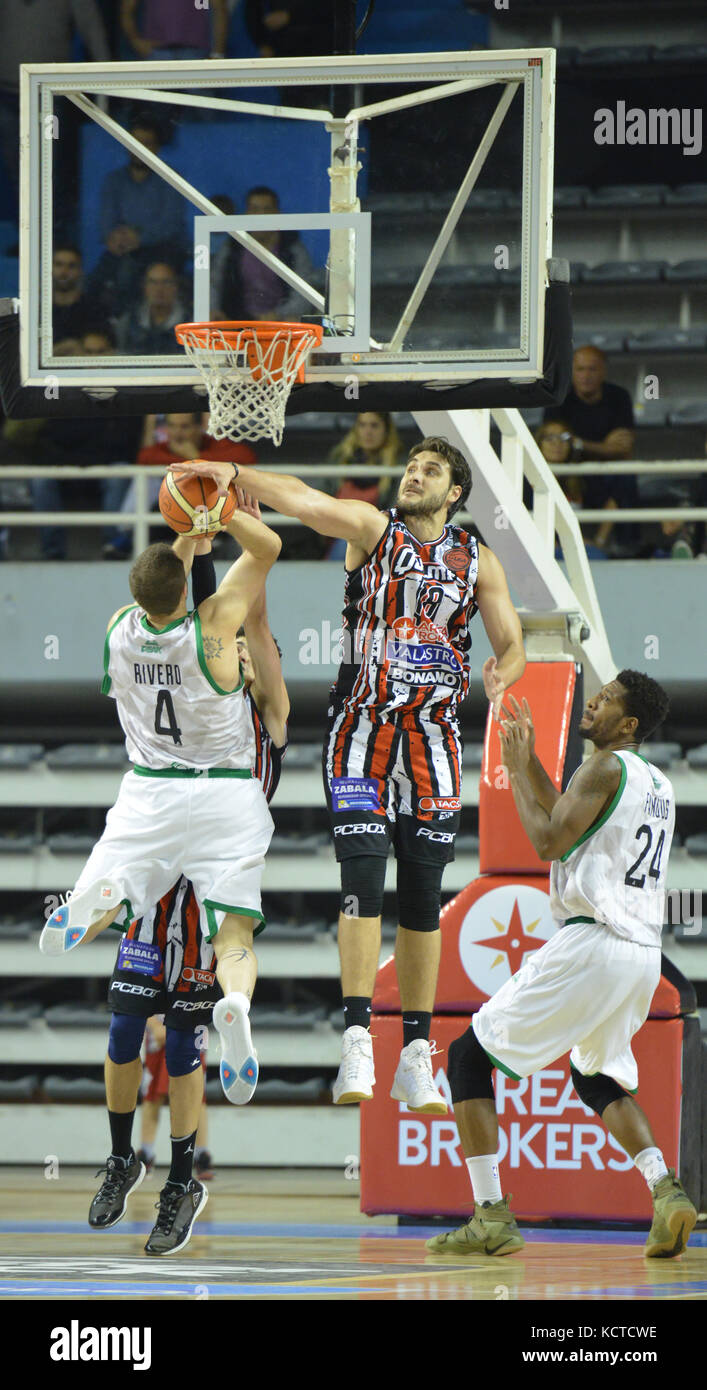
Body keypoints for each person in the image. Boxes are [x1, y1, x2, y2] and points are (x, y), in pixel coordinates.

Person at [173, 436, 526, 1115]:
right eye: (410, 466)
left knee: (424, 898)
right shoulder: (372, 528)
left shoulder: (477, 559)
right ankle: (358, 1036)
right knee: (363, 879)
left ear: (453, 493)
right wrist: (237, 473)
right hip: (361, 731)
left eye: (429, 471)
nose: (413, 475)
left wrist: (503, 672)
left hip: (434, 736)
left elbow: (511, 642)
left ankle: (417, 1054)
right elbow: (306, 503)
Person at [38, 498, 281, 1255]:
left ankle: (179, 1177)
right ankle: (122, 1158)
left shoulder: (126, 630)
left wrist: (189, 528)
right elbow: (249, 587)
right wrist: (231, 505)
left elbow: (198, 601)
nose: (246, 653)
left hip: (160, 827)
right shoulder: (221, 647)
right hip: (208, 831)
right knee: (121, 1031)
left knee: (180, 1047)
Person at [427, 673, 697, 1260]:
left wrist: (515, 770)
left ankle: (490, 1214)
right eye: (595, 692)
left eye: (608, 700)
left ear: (628, 725)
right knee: (595, 1076)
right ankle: (666, 1190)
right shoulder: (656, 782)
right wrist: (527, 765)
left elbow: (549, 841)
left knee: (467, 1057)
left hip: (594, 941)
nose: (594, 700)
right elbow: (573, 824)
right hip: (642, 955)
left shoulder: (601, 767)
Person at [108, 412, 258, 558]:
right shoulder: (163, 448)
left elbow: (246, 457)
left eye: (184, 427)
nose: (177, 433)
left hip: (216, 516)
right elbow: (145, 457)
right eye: (172, 426)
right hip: (170, 517)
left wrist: (196, 457)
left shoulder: (212, 444)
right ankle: (128, 536)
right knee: (148, 479)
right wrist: (191, 461)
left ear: (199, 427)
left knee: (235, 482)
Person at [544, 345, 638, 555]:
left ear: (603, 371)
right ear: (572, 372)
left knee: (626, 478)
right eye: (580, 369)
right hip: (568, 470)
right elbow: (551, 444)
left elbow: (624, 448)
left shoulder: (618, 397)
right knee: (544, 478)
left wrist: (579, 444)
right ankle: (551, 545)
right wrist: (606, 446)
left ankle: (622, 547)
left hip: (605, 471)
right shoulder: (558, 398)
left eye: (592, 369)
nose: (586, 376)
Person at [92, 116, 188, 317]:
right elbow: (106, 223)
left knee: (132, 272)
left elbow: (171, 224)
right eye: (135, 142)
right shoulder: (114, 180)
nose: (139, 149)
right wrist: (114, 237)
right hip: (125, 249)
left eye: (147, 143)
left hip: (164, 249)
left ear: (157, 148)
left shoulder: (170, 177)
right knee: (95, 279)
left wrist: (138, 237)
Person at [215, 186, 317, 323]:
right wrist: (213, 309)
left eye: (267, 209)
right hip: (237, 324)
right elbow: (214, 283)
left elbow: (304, 295)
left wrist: (277, 315)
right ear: (246, 213)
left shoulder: (293, 249)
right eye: (255, 209)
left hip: (282, 324)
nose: (260, 216)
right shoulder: (232, 247)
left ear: (277, 213)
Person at [136, 1015, 213, 1180]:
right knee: (152, 1094)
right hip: (159, 1023)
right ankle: (146, 1153)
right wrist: (152, 1023)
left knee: (196, 1095)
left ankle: (201, 1155)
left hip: (192, 1019)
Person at [325, 412, 402, 561]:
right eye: (362, 425)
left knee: (349, 542)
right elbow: (323, 497)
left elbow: (394, 510)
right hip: (336, 530)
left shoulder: (396, 465)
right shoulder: (340, 458)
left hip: (375, 534)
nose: (368, 432)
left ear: (386, 430)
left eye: (374, 426)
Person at [114, 260, 187, 356]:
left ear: (176, 286)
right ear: (144, 287)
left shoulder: (190, 322)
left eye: (166, 282)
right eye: (153, 282)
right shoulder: (128, 324)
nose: (159, 289)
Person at [120, 0, 229, 61]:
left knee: (200, 101)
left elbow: (220, 9)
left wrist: (217, 53)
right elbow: (127, 8)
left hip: (196, 53)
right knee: (156, 99)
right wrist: (136, 41)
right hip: (157, 51)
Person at [51, 245, 100, 346]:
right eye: (58, 264)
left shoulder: (94, 309)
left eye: (71, 266)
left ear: (80, 271)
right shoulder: (38, 310)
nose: (64, 272)